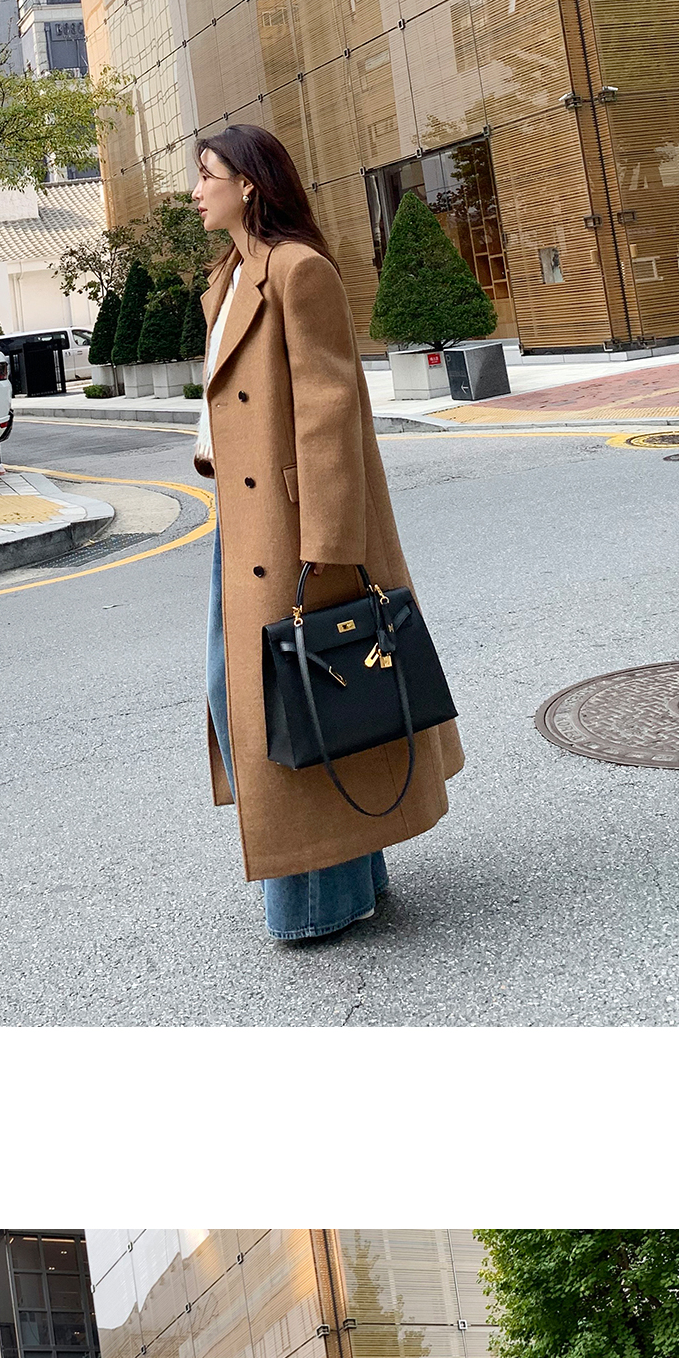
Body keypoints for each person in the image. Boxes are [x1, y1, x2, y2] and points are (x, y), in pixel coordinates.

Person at [192, 124, 461, 945]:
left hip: (296, 528)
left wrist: (329, 545)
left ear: (249, 183)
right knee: (274, 694)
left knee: (298, 696)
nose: (195, 191)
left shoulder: (297, 270)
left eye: (207, 174)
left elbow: (329, 411)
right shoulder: (229, 276)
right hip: (245, 522)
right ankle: (353, 876)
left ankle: (321, 900)